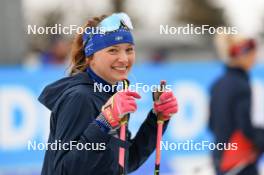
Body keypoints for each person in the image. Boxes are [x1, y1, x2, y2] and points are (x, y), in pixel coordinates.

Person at [38, 13, 178, 175]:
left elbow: (125, 162)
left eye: (129, 50)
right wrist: (104, 123)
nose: (124, 59)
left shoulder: (109, 95)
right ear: (91, 57)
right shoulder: (79, 97)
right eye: (113, 50)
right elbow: (64, 171)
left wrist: (156, 118)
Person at [209, 34, 264, 175]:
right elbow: (244, 125)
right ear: (242, 55)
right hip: (240, 159)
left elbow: (210, 124)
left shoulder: (217, 84)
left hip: (220, 156)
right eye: (252, 53)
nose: (255, 58)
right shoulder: (242, 86)